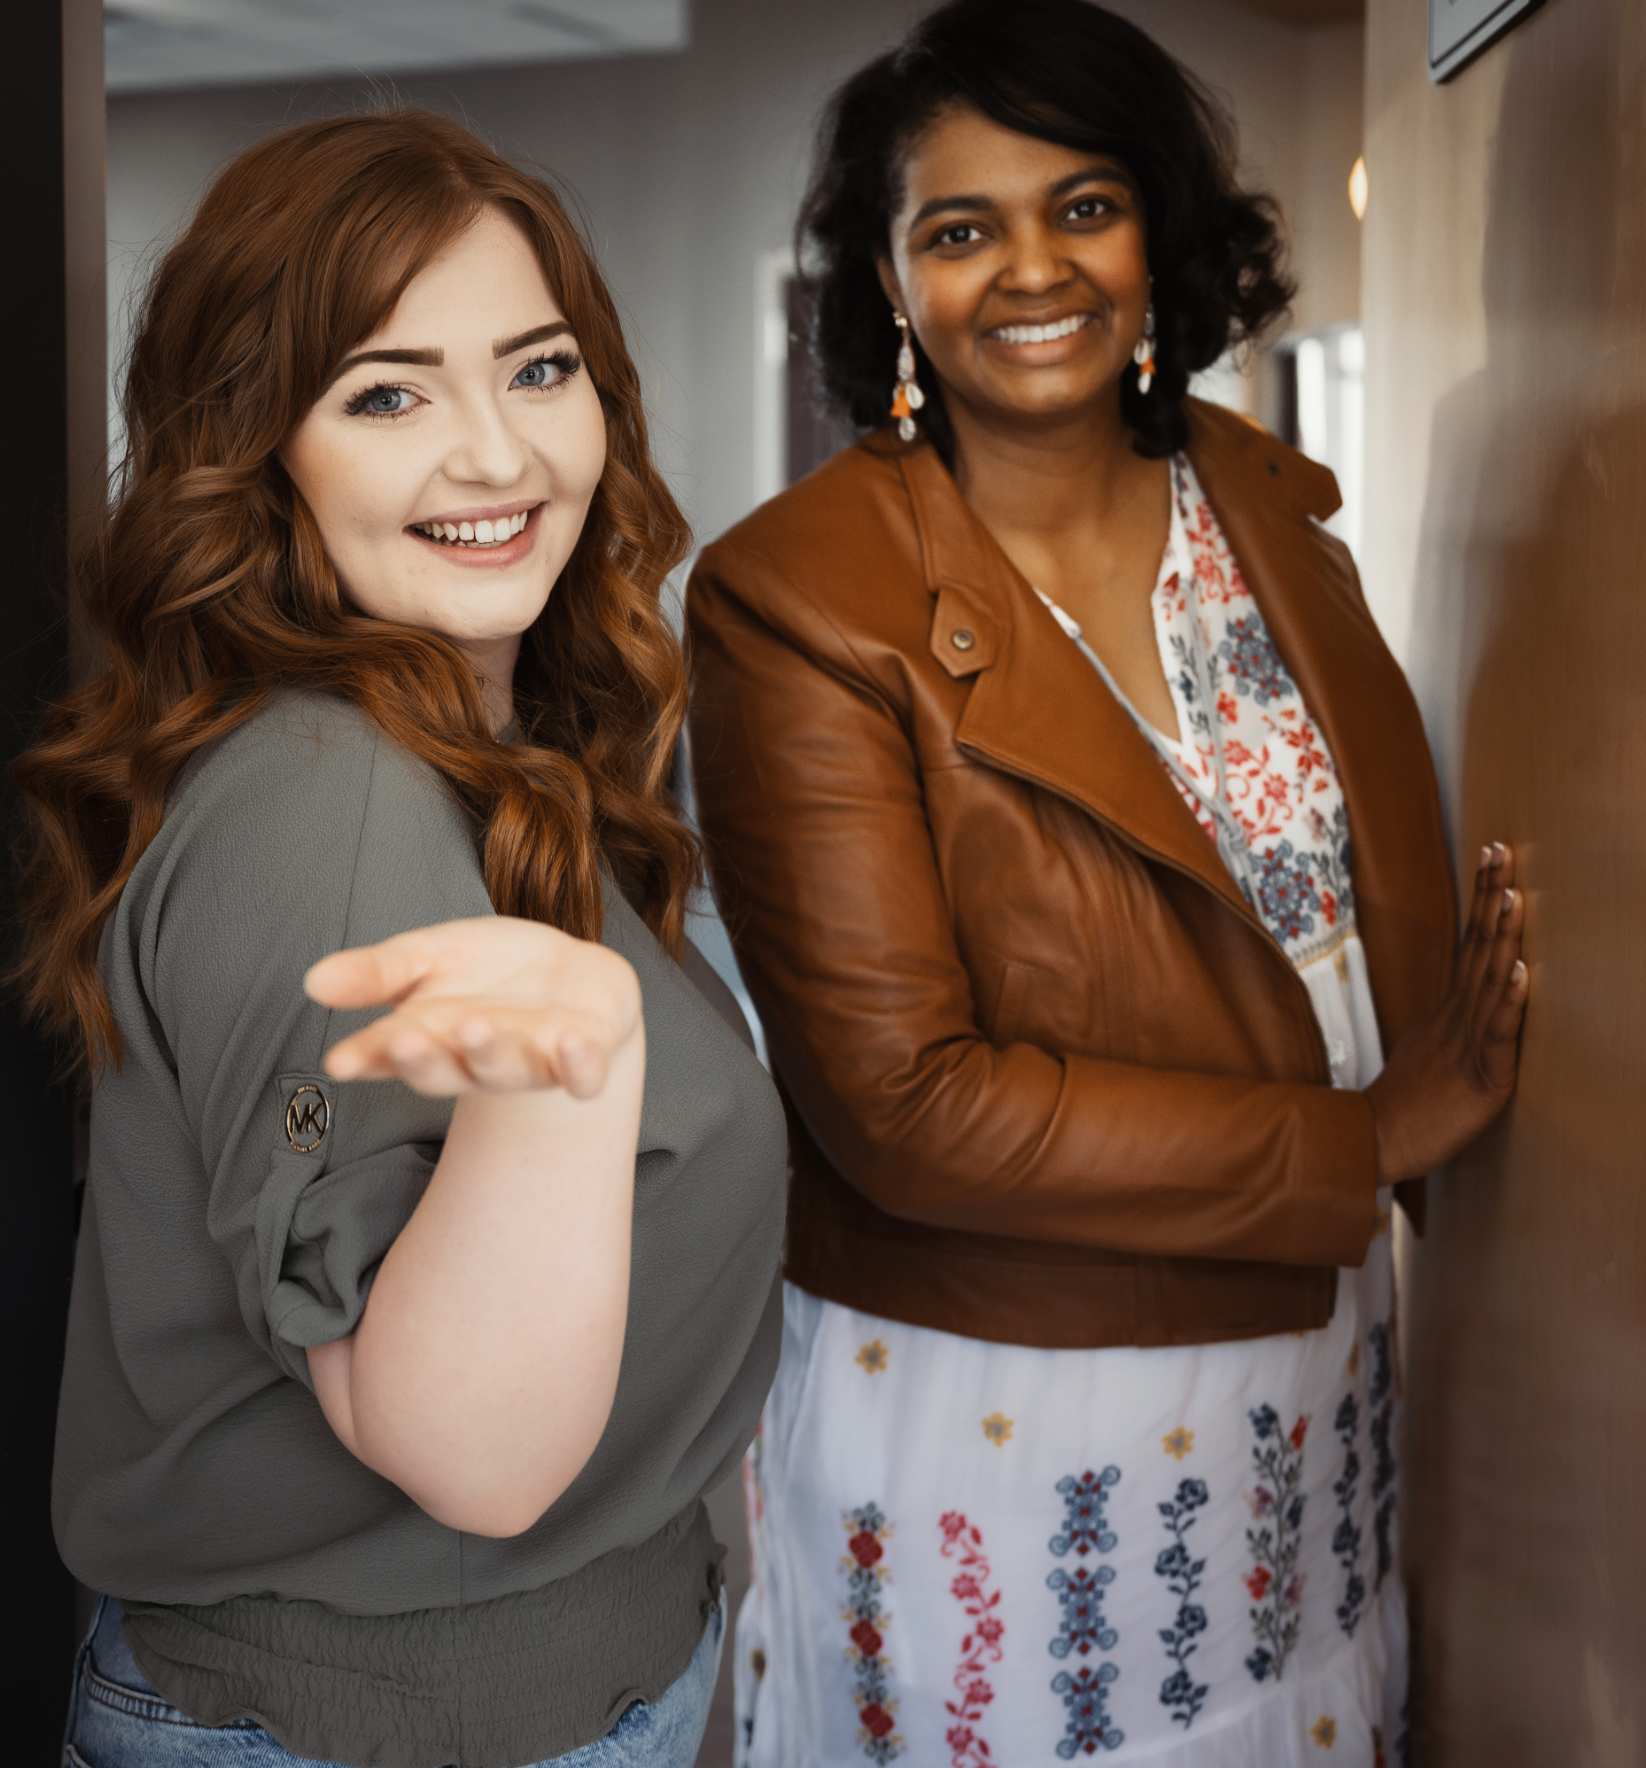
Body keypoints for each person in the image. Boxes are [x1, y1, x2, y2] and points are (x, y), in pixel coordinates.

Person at [684, 3, 1527, 1762]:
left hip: (1313, 1346)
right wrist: (1370, 1142)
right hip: (1018, 1395)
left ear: (1159, 231)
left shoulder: (1270, 510)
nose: (1028, 269)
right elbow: (900, 1108)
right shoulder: (796, 600)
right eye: (957, 228)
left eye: (1080, 206)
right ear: (890, 283)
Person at [15, 109, 787, 1768]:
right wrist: (555, 1086)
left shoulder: (471, 751)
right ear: (259, 448)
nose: (497, 457)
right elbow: (459, 1444)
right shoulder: (331, 801)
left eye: (535, 369)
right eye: (386, 394)